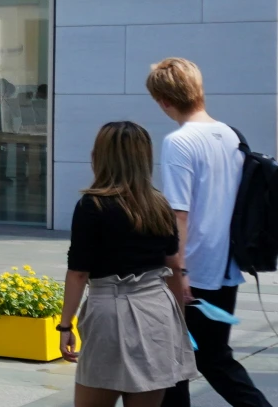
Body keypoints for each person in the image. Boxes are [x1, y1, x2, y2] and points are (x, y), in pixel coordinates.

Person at [147, 57, 273, 407]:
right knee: (213, 357)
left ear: (164, 100)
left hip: (194, 267)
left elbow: (179, 214)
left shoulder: (179, 142)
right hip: (225, 266)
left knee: (179, 359)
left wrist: (178, 269)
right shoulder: (231, 135)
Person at [59, 121, 193, 407]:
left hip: (109, 308)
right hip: (157, 310)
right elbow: (174, 266)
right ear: (144, 158)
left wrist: (65, 325)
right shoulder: (159, 204)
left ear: (100, 156)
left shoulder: (91, 205)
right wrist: (177, 323)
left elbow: (79, 272)